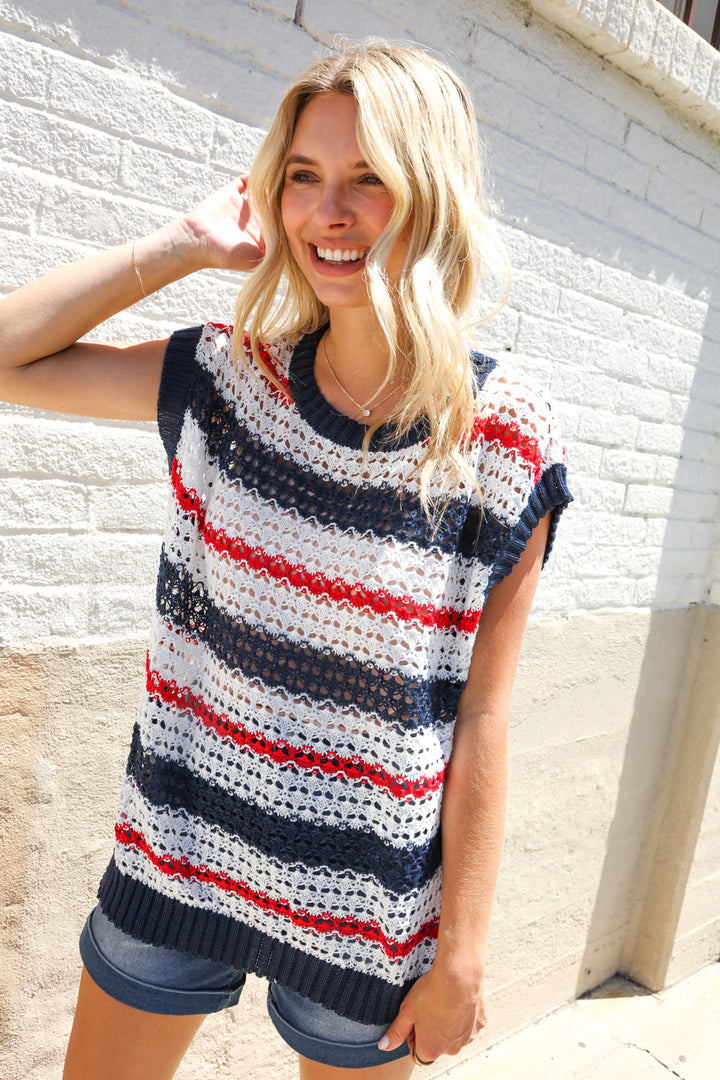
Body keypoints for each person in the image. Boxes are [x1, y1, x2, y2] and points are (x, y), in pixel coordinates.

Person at [0, 39, 571, 1080]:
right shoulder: (232, 380)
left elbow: (483, 715)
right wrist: (182, 245)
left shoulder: (502, 438)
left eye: (368, 179)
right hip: (182, 853)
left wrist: (463, 953)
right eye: (303, 176)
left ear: (432, 192)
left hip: (369, 905)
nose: (327, 212)